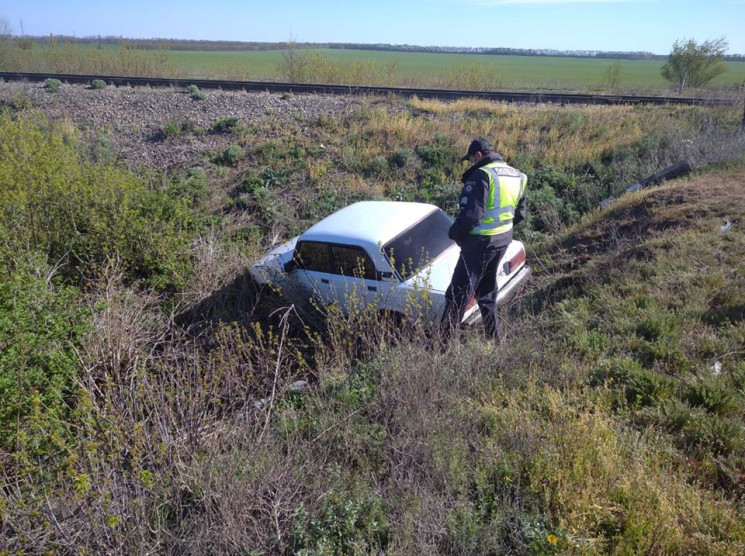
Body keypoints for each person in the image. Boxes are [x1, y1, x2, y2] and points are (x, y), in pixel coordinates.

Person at [441, 138, 528, 341]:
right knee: (487, 294)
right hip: (501, 242)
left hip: (479, 245)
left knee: (456, 296)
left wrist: (453, 233)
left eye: (471, 159)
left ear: (478, 155)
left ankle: (441, 348)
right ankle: (495, 339)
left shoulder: (482, 175)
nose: (471, 164)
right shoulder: (518, 175)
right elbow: (520, 215)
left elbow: (471, 216)